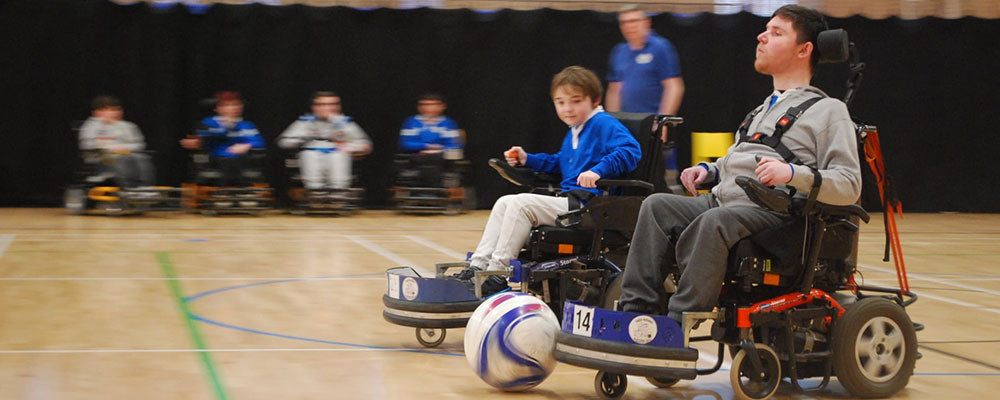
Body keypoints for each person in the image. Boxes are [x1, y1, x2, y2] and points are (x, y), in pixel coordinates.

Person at [617, 5, 862, 324]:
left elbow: (849, 185)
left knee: (715, 220)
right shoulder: (761, 110)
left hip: (775, 214)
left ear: (804, 49)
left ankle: (679, 323)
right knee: (656, 206)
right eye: (766, 29)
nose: (761, 36)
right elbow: (736, 158)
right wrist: (710, 170)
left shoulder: (829, 111)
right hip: (726, 201)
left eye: (776, 33)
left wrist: (792, 174)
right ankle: (635, 312)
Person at [453, 66, 642, 295]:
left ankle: (497, 274)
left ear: (594, 100)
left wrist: (599, 171)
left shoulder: (603, 123)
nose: (567, 109)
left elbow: (631, 150)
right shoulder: (576, 129)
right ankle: (478, 268)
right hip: (572, 203)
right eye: (561, 102)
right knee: (504, 201)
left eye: (575, 101)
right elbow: (559, 162)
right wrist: (527, 159)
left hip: (589, 206)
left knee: (520, 204)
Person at [605, 5, 685, 192]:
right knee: (626, 175)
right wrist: (611, 123)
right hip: (627, 128)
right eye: (624, 22)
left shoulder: (660, 47)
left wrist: (664, 121)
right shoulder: (619, 52)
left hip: (652, 127)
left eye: (634, 21)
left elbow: (674, 86)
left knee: (659, 176)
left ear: (646, 22)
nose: (629, 26)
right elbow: (614, 90)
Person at [277, 91, 372, 190]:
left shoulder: (345, 123)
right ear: (314, 107)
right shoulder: (305, 122)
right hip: (311, 156)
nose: (328, 108)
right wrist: (303, 138)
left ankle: (338, 194)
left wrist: (347, 147)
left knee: (338, 157)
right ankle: (314, 193)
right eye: (322, 105)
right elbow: (283, 142)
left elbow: (365, 145)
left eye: (333, 104)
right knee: (310, 155)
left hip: (338, 156)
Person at [180, 91, 265, 187]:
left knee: (244, 163)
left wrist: (247, 145)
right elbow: (205, 140)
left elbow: (259, 142)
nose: (234, 108)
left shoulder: (247, 125)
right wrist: (226, 126)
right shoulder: (209, 122)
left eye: (236, 104)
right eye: (228, 105)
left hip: (239, 164)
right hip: (215, 161)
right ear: (218, 108)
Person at [78, 95, 155, 188]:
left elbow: (139, 144)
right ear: (97, 112)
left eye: (116, 110)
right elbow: (87, 145)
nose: (113, 113)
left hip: (127, 154)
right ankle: (127, 188)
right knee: (121, 159)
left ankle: (144, 188)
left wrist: (124, 148)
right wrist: (110, 148)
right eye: (108, 110)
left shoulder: (128, 126)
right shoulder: (91, 126)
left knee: (142, 158)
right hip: (100, 158)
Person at [397, 93, 462, 187]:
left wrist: (438, 150)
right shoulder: (411, 122)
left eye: (432, 104)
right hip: (417, 157)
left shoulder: (449, 123)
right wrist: (426, 147)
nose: (427, 108)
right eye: (423, 104)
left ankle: (438, 186)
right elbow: (405, 143)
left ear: (442, 106)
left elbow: (455, 145)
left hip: (442, 158)